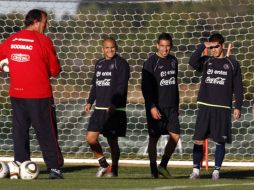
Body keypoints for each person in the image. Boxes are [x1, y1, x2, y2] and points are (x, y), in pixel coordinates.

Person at [0, 9, 64, 179]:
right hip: (39, 95)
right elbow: (55, 70)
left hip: (17, 95)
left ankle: (21, 165)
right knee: (46, 132)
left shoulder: (12, 39)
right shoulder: (43, 41)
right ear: (36, 21)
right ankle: (55, 168)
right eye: (45, 21)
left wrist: (5, 65)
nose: (47, 25)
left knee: (20, 132)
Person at [188, 33, 243, 180]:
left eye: (216, 46)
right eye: (211, 47)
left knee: (220, 140)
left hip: (223, 108)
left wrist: (238, 106)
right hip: (205, 105)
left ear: (222, 46)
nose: (214, 49)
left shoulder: (232, 64)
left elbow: (238, 87)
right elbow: (192, 61)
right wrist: (203, 46)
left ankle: (216, 171)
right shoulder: (206, 61)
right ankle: (196, 171)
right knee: (198, 139)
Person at [85, 37, 130, 177]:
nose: (110, 50)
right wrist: (90, 101)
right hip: (99, 109)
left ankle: (114, 169)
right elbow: (95, 85)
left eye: (112, 47)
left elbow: (122, 87)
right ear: (102, 49)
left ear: (116, 48)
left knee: (112, 142)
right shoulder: (99, 63)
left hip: (114, 110)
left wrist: (114, 104)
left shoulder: (122, 64)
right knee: (90, 138)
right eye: (107, 48)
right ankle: (104, 165)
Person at [141, 32, 181, 179]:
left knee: (175, 136)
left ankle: (163, 165)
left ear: (171, 46)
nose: (165, 49)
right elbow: (145, 88)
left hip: (171, 107)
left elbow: (174, 84)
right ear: (157, 45)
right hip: (156, 107)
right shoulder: (150, 62)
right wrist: (152, 106)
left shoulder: (173, 61)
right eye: (162, 46)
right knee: (154, 138)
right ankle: (153, 169)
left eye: (168, 46)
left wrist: (177, 105)